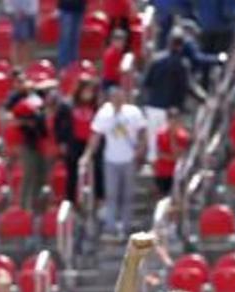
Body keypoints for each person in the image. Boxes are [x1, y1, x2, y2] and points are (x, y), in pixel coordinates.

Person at [85, 85, 147, 238]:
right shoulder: (104, 113)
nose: (118, 100)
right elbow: (96, 136)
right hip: (110, 159)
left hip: (129, 159)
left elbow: (142, 131)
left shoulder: (133, 112)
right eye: (115, 97)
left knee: (127, 195)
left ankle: (126, 226)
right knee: (111, 194)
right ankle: (110, 226)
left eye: (120, 97)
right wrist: (87, 155)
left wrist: (141, 148)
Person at [140, 31, 205, 162]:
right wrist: (203, 98)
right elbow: (189, 87)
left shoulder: (156, 60)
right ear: (181, 46)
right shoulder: (182, 63)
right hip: (170, 112)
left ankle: (153, 168)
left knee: (153, 144)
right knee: (167, 144)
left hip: (153, 107)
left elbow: (145, 83)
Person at [53, 75, 99, 204]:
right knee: (72, 173)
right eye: (87, 90)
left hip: (90, 144)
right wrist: (61, 142)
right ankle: (72, 201)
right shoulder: (67, 105)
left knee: (95, 172)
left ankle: (94, 201)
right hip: (73, 144)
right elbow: (58, 125)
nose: (89, 93)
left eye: (91, 91)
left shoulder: (95, 106)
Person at [10, 78, 53, 213]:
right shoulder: (26, 104)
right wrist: (28, 123)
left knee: (41, 176)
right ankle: (24, 207)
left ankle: (37, 207)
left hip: (41, 145)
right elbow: (16, 119)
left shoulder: (43, 106)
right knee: (29, 175)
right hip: (29, 145)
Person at [153, 108, 189, 197]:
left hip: (176, 174)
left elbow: (178, 156)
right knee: (161, 197)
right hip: (161, 172)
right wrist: (171, 157)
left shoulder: (183, 136)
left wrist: (172, 138)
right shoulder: (160, 134)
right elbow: (159, 154)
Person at [8, 0, 38, 65]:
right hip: (20, 15)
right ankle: (17, 66)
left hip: (31, 14)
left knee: (29, 43)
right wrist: (20, 9)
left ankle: (26, 66)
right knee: (18, 43)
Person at [56, 0, 84, 68]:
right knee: (66, 37)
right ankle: (63, 65)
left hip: (79, 9)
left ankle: (73, 64)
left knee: (75, 38)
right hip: (66, 8)